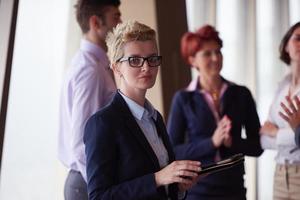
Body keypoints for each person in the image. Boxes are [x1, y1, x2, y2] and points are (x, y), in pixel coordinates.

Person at [84, 21, 202, 200]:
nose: (146, 67)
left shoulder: (155, 117)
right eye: (135, 60)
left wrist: (179, 187)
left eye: (152, 59)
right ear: (116, 67)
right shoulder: (103, 123)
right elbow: (99, 196)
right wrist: (158, 178)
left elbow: (162, 187)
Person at [167, 25, 263, 200]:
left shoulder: (241, 94)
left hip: (234, 190)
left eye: (218, 51)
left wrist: (231, 142)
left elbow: (257, 146)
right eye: (207, 53)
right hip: (197, 192)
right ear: (192, 60)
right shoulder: (182, 99)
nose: (215, 58)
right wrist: (211, 142)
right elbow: (172, 151)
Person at [58, 0, 121, 199]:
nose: (120, 22)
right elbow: (80, 143)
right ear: (95, 22)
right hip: (88, 184)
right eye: (115, 17)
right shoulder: (90, 70)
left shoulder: (94, 64)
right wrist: (103, 185)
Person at [260, 21, 300, 200]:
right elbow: (263, 140)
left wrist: (275, 131)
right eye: (298, 38)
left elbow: (271, 133)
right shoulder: (282, 86)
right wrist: (291, 134)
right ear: (286, 46)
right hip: (280, 174)